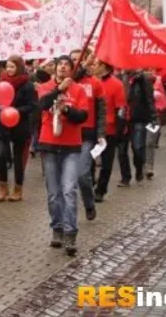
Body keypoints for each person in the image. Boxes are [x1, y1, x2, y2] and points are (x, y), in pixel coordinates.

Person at [36, 55, 88, 256]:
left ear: (72, 70)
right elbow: (42, 105)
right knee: (53, 193)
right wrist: (58, 89)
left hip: (71, 147)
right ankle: (56, 228)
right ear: (55, 69)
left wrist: (66, 108)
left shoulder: (79, 90)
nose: (63, 68)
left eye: (67, 65)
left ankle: (70, 233)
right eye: (60, 65)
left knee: (69, 190)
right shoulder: (45, 86)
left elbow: (82, 116)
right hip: (49, 145)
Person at [0, 55, 36, 203]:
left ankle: (18, 189)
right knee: (0, 156)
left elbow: (32, 106)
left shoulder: (27, 85)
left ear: (19, 67)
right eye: (8, 66)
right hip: (2, 124)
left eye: (13, 66)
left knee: (18, 158)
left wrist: (16, 110)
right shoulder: (2, 82)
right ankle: (3, 187)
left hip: (20, 125)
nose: (10, 69)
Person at [70, 50, 105, 222]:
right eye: (72, 60)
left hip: (86, 135)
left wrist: (100, 133)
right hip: (68, 135)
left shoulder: (95, 83)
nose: (75, 63)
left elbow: (101, 111)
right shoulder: (66, 83)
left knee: (83, 174)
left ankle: (89, 203)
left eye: (79, 60)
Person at [93, 60, 127, 203]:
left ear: (104, 67)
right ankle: (89, 184)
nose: (93, 66)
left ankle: (101, 189)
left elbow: (121, 108)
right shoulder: (92, 82)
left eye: (96, 64)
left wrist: (120, 129)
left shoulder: (116, 84)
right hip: (91, 127)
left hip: (109, 129)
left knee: (106, 162)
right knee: (89, 159)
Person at [120, 69, 158, 187]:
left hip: (138, 118)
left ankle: (139, 169)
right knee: (121, 150)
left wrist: (153, 117)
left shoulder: (144, 80)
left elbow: (149, 99)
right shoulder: (120, 78)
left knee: (137, 147)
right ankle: (125, 177)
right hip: (122, 119)